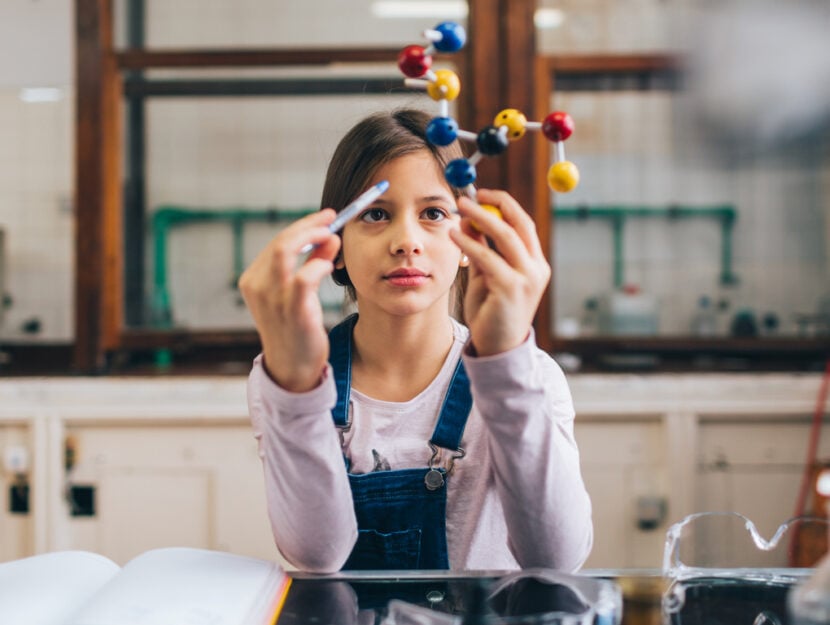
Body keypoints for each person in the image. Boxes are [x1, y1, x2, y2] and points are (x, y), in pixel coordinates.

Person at [239, 108, 593, 573]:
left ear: (470, 238)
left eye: (433, 213)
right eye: (376, 214)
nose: (406, 240)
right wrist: (296, 386)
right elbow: (316, 556)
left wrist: (506, 367)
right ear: (336, 246)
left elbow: (557, 558)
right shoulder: (286, 379)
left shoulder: (533, 375)